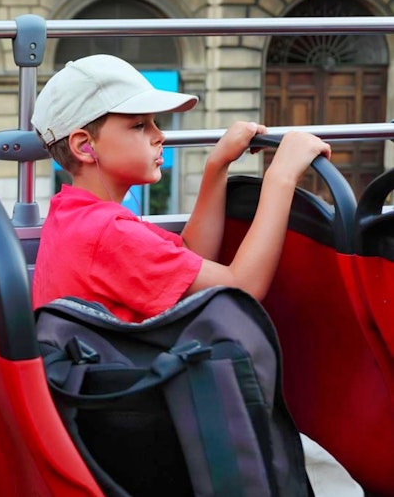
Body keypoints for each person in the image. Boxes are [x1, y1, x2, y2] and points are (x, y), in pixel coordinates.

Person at [29, 53, 361, 494]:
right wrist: (281, 176)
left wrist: (216, 167)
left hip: (112, 407)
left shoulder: (81, 215)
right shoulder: (108, 232)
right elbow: (243, 290)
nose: (158, 135)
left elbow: (183, 264)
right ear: (84, 146)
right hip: (134, 425)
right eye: (139, 125)